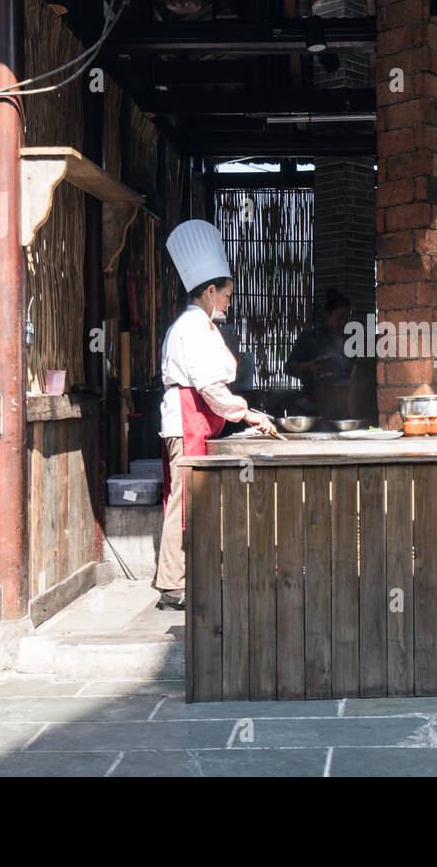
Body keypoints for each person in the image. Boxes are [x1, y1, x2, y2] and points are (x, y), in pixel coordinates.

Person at [156, 219, 275, 610]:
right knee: (182, 500)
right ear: (209, 291)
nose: (228, 301)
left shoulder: (199, 325)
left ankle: (184, 576)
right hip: (185, 418)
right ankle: (173, 586)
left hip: (187, 417)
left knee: (185, 497)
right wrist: (249, 414)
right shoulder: (193, 327)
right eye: (226, 295)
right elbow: (209, 388)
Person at [286, 288, 354, 402]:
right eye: (340, 317)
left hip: (343, 400)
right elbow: (289, 368)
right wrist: (309, 366)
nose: (343, 322)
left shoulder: (349, 341)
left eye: (347, 318)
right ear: (327, 315)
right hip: (313, 400)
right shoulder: (309, 338)